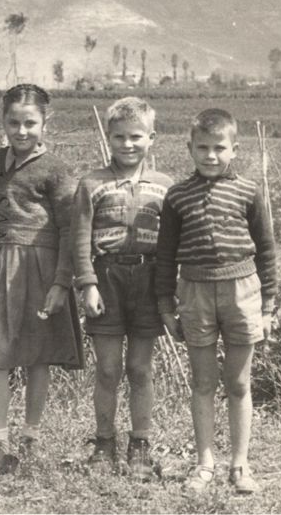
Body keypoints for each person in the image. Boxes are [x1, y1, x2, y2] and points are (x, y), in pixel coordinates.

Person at [156, 108, 277, 495]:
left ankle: (240, 465)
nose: (211, 156)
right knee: (203, 381)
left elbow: (267, 250)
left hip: (242, 292)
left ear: (235, 149)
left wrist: (269, 305)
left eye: (219, 148)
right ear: (189, 148)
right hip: (194, 293)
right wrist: (164, 304)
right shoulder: (177, 196)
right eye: (203, 148)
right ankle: (205, 462)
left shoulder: (248, 191)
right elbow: (165, 254)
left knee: (239, 383)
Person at [0, 84, 83, 474]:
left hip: (44, 264)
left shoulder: (57, 169)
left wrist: (62, 283)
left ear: (45, 122)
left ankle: (31, 437)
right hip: (1, 262)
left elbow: (70, 228)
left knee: (38, 355)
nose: (21, 131)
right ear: (2, 121)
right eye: (13, 122)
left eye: (30, 123)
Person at [71, 97, 173, 479]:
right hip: (107, 281)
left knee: (140, 368)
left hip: (147, 282)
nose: (128, 145)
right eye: (119, 137)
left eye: (136, 137)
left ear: (152, 138)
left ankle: (141, 445)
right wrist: (88, 284)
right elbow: (79, 240)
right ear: (108, 138)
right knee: (109, 368)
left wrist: (167, 293)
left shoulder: (166, 187)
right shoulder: (92, 183)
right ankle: (103, 443)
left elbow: (170, 246)